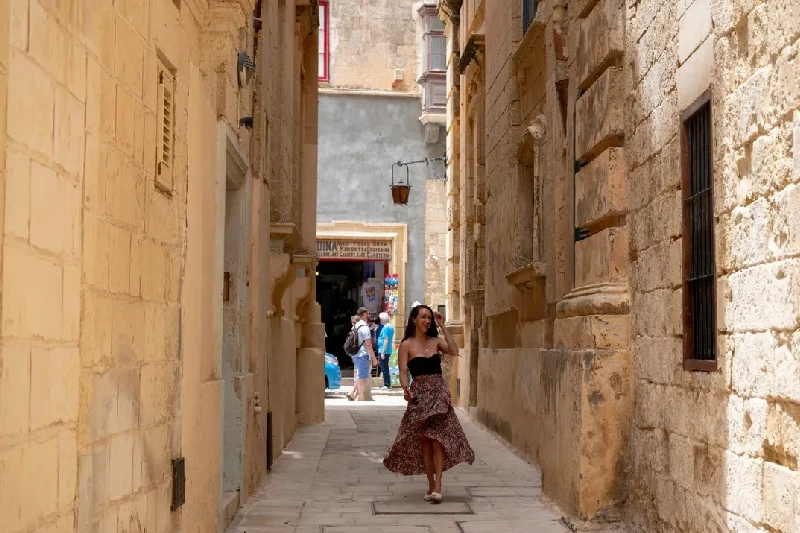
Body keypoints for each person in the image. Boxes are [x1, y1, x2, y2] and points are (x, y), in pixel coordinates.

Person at [383, 304, 474, 502]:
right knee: (425, 442)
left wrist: (443, 327)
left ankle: (438, 485)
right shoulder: (407, 345)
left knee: (437, 441)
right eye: (423, 317)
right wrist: (406, 389)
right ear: (414, 319)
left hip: (439, 395)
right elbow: (403, 372)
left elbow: (453, 350)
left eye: (429, 318)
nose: (427, 321)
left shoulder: (436, 341)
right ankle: (431, 483)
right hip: (420, 397)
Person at [347, 307, 377, 402]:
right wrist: (374, 358)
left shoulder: (356, 326)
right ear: (364, 314)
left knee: (360, 375)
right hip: (362, 354)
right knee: (362, 377)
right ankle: (361, 397)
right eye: (367, 313)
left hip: (355, 354)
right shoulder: (364, 327)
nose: (369, 315)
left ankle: (354, 394)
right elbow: (368, 344)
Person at [376, 312, 394, 389]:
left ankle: (387, 384)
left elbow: (385, 340)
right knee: (384, 366)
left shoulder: (386, 328)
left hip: (383, 350)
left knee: (384, 367)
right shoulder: (390, 327)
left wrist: (383, 352)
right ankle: (387, 383)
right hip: (387, 350)